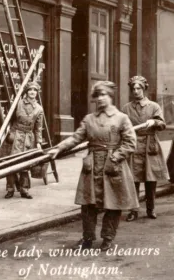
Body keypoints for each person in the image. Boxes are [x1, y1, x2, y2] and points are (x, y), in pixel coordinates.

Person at [48, 81, 139, 251]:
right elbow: (76, 138)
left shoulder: (121, 118)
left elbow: (130, 143)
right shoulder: (89, 119)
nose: (101, 98)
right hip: (92, 166)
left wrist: (116, 157)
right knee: (88, 204)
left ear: (111, 96)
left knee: (113, 204)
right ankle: (87, 239)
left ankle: (108, 238)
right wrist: (58, 148)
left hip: (113, 166)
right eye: (98, 95)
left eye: (104, 94)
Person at [123, 76, 169, 221]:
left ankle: (151, 209)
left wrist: (154, 121)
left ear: (144, 89)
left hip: (150, 146)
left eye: (139, 88)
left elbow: (163, 125)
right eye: (133, 89)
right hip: (133, 145)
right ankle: (133, 210)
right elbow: (121, 127)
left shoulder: (154, 106)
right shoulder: (126, 108)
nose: (136, 91)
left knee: (151, 179)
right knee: (133, 180)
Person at [4, 81, 43, 199]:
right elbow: (9, 119)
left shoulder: (39, 109)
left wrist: (38, 143)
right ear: (26, 92)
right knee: (11, 162)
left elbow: (38, 128)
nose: (32, 92)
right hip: (16, 135)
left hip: (28, 138)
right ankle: (10, 189)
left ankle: (24, 190)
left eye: (35, 90)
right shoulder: (18, 103)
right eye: (30, 90)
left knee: (25, 164)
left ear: (37, 93)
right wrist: (9, 132)